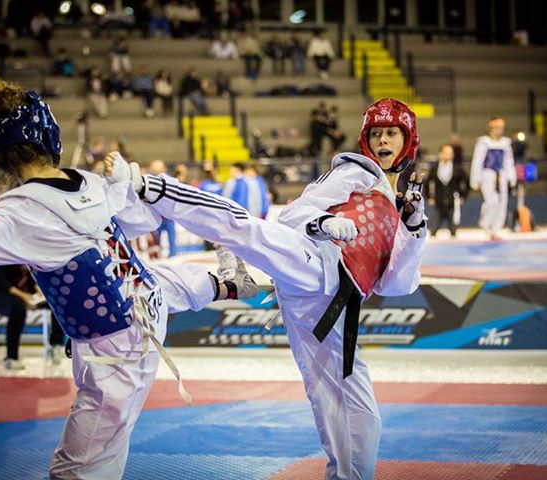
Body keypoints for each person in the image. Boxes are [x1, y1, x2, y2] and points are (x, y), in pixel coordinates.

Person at [0, 82, 258, 479]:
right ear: (49, 134)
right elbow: (146, 219)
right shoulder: (88, 182)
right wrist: (125, 184)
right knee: (164, 279)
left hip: (115, 350)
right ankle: (226, 284)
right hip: (148, 303)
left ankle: (225, 284)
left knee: (79, 467)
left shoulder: (20, 211)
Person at [107, 97, 427, 480]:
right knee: (244, 230)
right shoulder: (356, 173)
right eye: (376, 133)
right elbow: (294, 213)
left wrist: (415, 230)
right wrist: (323, 224)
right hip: (314, 261)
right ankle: (149, 187)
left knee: (354, 410)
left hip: (335, 310)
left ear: (407, 140)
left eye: (392, 133)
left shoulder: (402, 206)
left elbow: (397, 284)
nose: (383, 141)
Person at [0, 264, 66, 369]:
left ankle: (56, 345)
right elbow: (2, 281)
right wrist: (24, 297)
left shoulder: (27, 256)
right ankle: (11, 358)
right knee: (18, 308)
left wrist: (40, 291)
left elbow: (30, 278)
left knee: (55, 302)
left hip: (21, 294)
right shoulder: (3, 255)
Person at [470, 116, 517, 240]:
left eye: (501, 127)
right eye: (497, 127)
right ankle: (485, 224)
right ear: (491, 128)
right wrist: (475, 178)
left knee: (502, 202)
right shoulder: (484, 142)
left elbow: (509, 161)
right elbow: (477, 161)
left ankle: (496, 229)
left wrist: (512, 176)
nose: (499, 130)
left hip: (501, 175)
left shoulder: (505, 143)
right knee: (491, 201)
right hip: (488, 174)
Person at [427, 144, 469, 237]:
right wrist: (429, 197)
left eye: (450, 153)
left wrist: (463, 196)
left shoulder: (457, 169)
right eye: (446, 153)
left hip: (452, 202)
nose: (448, 155)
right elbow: (427, 183)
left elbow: (466, 182)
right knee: (433, 230)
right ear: (440, 154)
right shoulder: (434, 169)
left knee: (454, 230)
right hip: (437, 202)